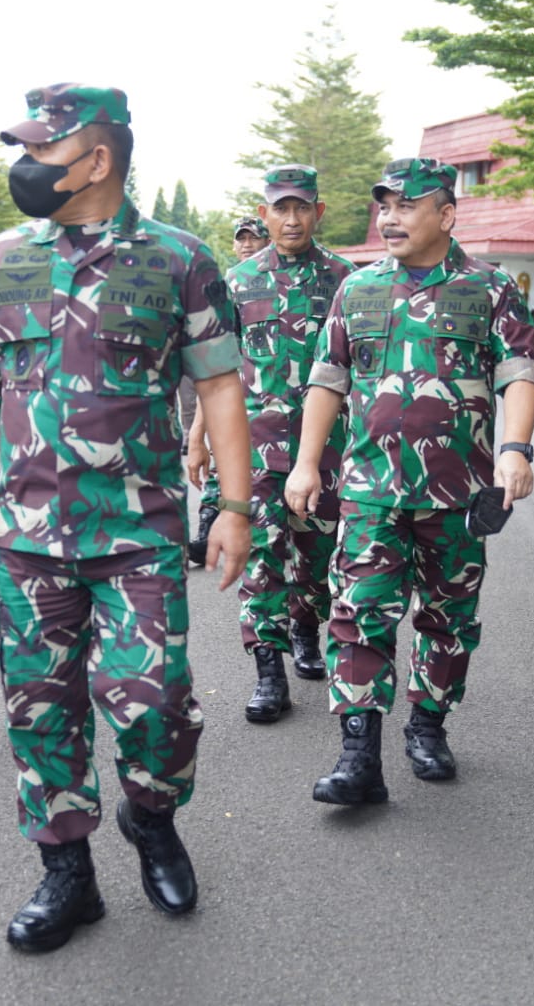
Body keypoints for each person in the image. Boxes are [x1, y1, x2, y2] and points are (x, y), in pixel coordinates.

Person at [0, 84, 252, 953]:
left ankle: (152, 815)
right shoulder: (6, 257)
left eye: (43, 150)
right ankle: (67, 873)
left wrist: (235, 506)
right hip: (24, 536)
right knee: (41, 709)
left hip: (138, 532)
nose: (25, 167)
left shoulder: (178, 259)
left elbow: (220, 384)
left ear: (96, 159)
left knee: (156, 702)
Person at [285, 157, 534, 802]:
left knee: (450, 617)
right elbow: (329, 379)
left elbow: (520, 370)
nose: (390, 217)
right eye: (385, 205)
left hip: (456, 492)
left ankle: (428, 726)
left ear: (446, 215)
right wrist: (306, 461)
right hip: (370, 486)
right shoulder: (359, 288)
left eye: (407, 205)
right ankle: (358, 756)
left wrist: (514, 448)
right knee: (359, 613)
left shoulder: (489, 288)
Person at [192, 166, 357, 720]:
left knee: (319, 555)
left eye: (302, 208)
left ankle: (307, 628)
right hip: (254, 448)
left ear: (318, 211)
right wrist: (200, 440)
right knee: (262, 555)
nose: (291, 219)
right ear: (264, 215)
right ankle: (268, 671)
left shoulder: (347, 280)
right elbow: (215, 374)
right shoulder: (236, 283)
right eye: (280, 209)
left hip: (327, 448)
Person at [187, 215, 270, 569]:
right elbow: (217, 364)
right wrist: (197, 433)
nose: (247, 244)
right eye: (241, 239)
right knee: (223, 464)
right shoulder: (228, 288)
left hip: (279, 409)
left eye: (254, 238)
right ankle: (207, 527)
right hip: (234, 399)